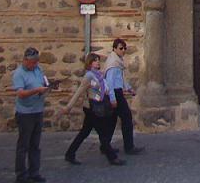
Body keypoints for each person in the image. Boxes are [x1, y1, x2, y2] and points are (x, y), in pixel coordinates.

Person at [63, 51, 126, 166]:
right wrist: (68, 107)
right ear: (90, 63)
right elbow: (79, 92)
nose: (97, 62)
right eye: (95, 61)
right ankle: (112, 157)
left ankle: (70, 153)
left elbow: (98, 91)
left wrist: (105, 94)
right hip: (92, 108)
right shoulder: (89, 76)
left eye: (98, 60)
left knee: (84, 132)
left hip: (97, 106)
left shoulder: (99, 75)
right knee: (102, 134)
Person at [12, 46, 53, 183]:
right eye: (32, 62)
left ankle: (34, 172)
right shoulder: (19, 73)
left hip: (38, 111)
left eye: (36, 61)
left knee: (35, 145)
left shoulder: (38, 69)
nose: (34, 64)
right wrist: (36, 90)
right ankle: (21, 175)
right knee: (23, 145)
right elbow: (21, 94)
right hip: (25, 113)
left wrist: (47, 88)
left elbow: (44, 82)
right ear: (25, 60)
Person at [104, 38, 144, 155]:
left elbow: (121, 78)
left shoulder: (117, 61)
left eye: (124, 48)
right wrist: (113, 99)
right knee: (127, 119)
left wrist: (129, 88)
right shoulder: (113, 64)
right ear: (114, 48)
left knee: (111, 121)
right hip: (115, 94)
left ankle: (105, 145)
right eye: (121, 48)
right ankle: (129, 146)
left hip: (117, 92)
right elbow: (110, 83)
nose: (123, 50)